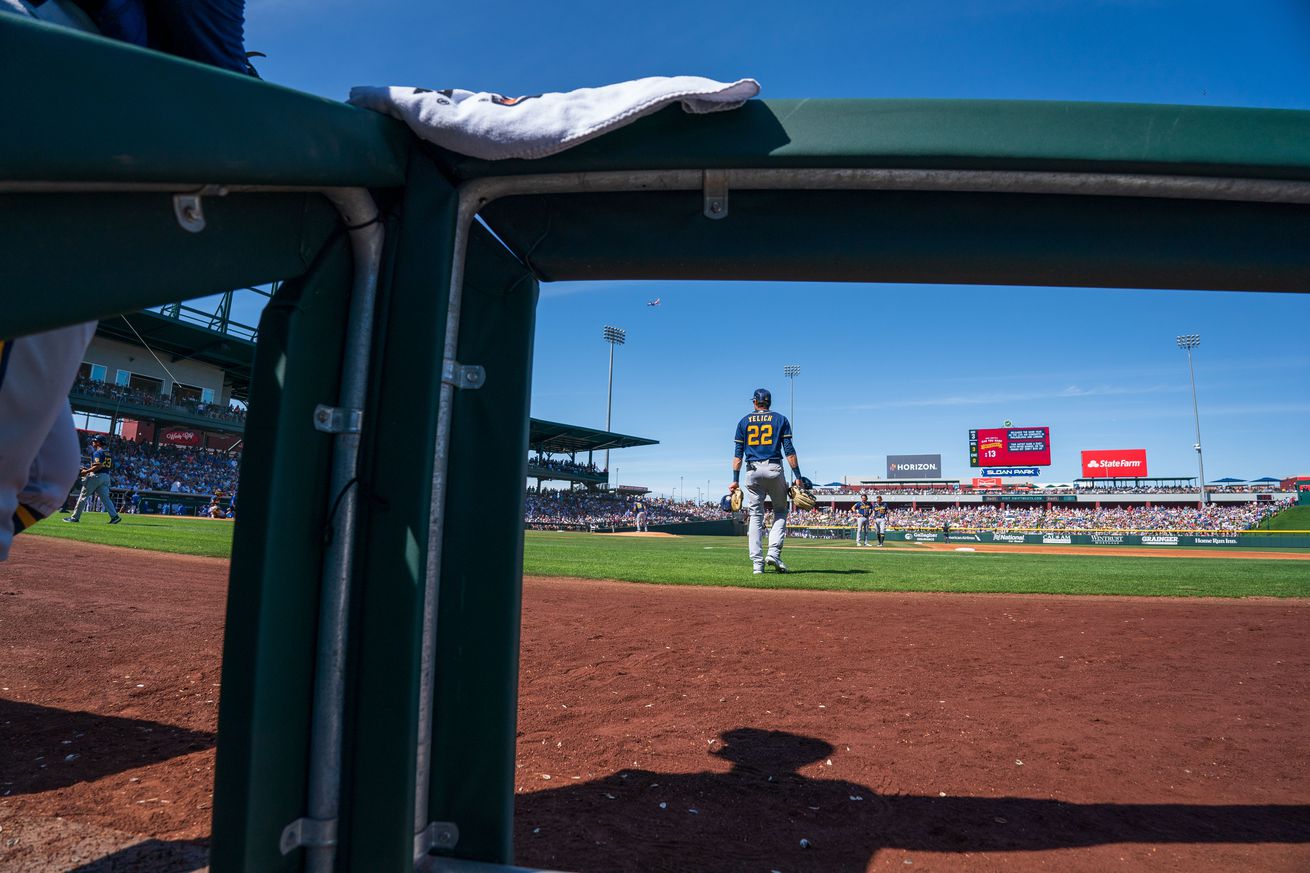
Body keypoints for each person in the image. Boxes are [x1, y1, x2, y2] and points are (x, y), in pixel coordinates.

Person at [728, 388, 803, 575]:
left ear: (755, 402)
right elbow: (789, 450)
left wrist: (735, 480)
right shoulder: (780, 419)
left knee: (755, 516)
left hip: (751, 470)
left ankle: (757, 564)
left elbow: (737, 456)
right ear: (769, 402)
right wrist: (798, 476)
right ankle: (774, 553)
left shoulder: (743, 421)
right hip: (773, 468)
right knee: (780, 511)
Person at [64, 435, 123, 524]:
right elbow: (110, 465)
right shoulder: (108, 453)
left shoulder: (98, 452)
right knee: (106, 499)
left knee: (83, 496)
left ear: (98, 442)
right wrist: (89, 468)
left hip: (96, 476)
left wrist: (86, 471)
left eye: (94, 441)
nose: (93, 442)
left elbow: (98, 465)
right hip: (106, 476)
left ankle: (75, 517)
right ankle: (114, 516)